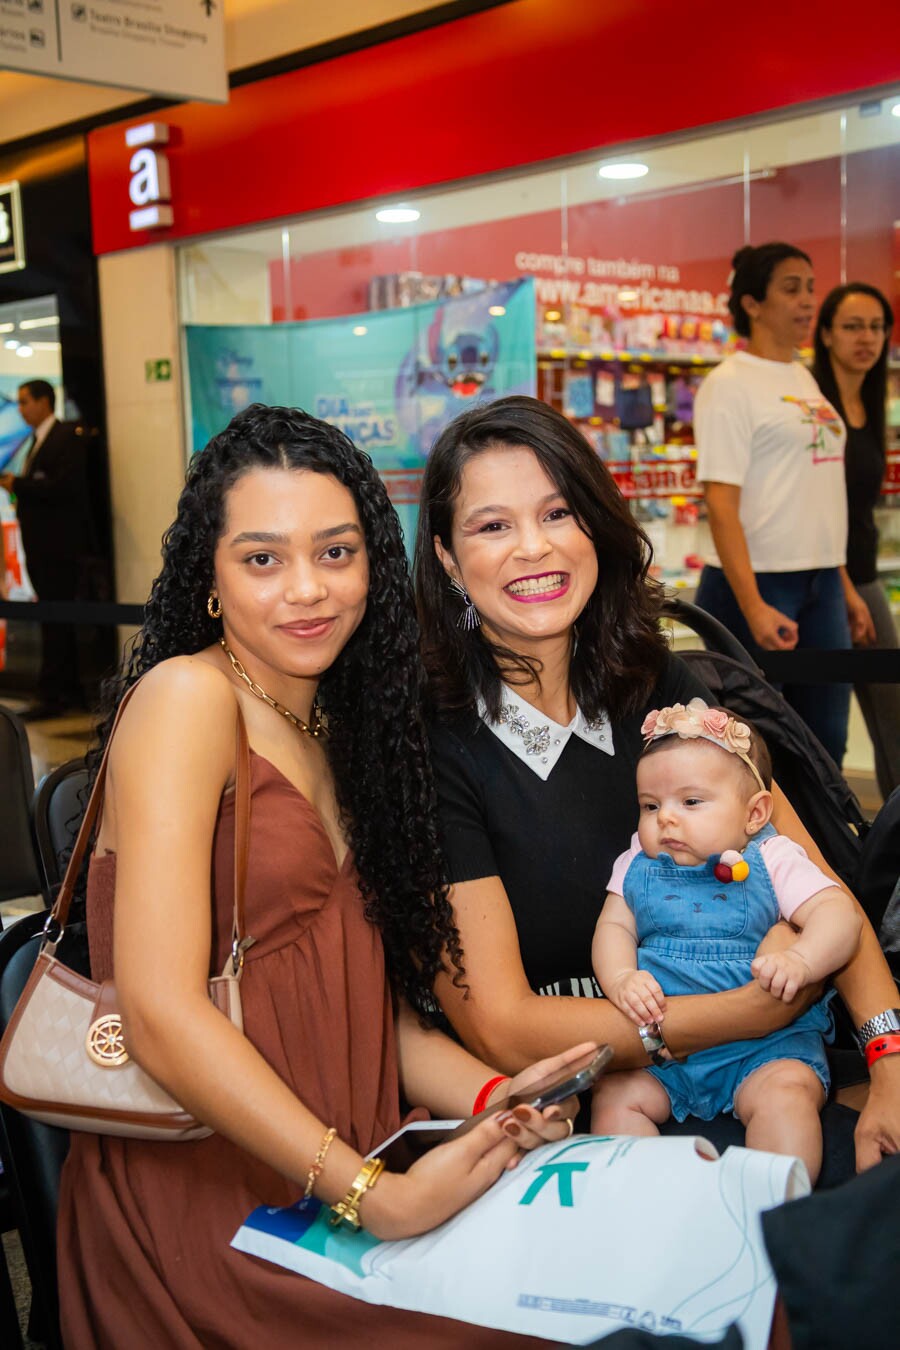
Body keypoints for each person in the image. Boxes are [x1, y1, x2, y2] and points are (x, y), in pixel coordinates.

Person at [56, 403, 586, 1349]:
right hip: (218, 1193)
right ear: (209, 579)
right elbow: (161, 1015)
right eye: (263, 559)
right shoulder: (187, 700)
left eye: (337, 552)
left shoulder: (345, 723)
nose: (308, 590)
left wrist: (492, 1099)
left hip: (360, 1151)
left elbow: (350, 998)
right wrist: (371, 1196)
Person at [413, 393, 900, 1171]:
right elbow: (499, 1025)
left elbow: (819, 887)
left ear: (595, 528)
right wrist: (747, 1009)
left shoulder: (656, 685)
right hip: (581, 1107)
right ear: (446, 558)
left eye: (558, 513)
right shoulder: (436, 742)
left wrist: (890, 1062)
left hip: (767, 1074)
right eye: (492, 525)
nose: (534, 548)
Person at [590, 698, 861, 1183]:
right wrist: (622, 977)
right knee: (613, 1097)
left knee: (787, 1095)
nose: (666, 819)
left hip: (766, 1048)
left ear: (754, 813)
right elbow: (613, 928)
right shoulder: (637, 862)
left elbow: (838, 914)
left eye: (690, 802)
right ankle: (652, 1203)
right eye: (650, 805)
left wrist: (802, 959)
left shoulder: (772, 856)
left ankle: (768, 1209)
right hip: (667, 1050)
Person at [693, 242, 870, 769]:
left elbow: (813, 495)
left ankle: (822, 853)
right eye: (791, 289)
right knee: (756, 750)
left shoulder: (802, 377)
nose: (807, 301)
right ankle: (763, 853)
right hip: (756, 585)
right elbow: (721, 503)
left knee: (826, 740)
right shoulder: (728, 383)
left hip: (819, 584)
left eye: (811, 289)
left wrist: (840, 584)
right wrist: (752, 605)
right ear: (752, 302)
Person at [812, 282, 900, 799]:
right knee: (831, 731)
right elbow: (816, 508)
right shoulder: (816, 406)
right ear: (826, 334)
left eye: (875, 326)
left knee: (891, 720)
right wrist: (843, 585)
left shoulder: (869, 400)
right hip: (833, 582)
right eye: (851, 326)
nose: (866, 338)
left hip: (860, 575)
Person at [0, 379, 93, 718]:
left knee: (58, 619)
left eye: (25, 402)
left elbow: (63, 486)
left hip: (59, 547)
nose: (21, 409)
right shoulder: (36, 441)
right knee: (52, 619)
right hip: (40, 546)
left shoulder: (64, 437)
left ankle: (57, 693)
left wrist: (19, 485)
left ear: (43, 402)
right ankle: (62, 689)